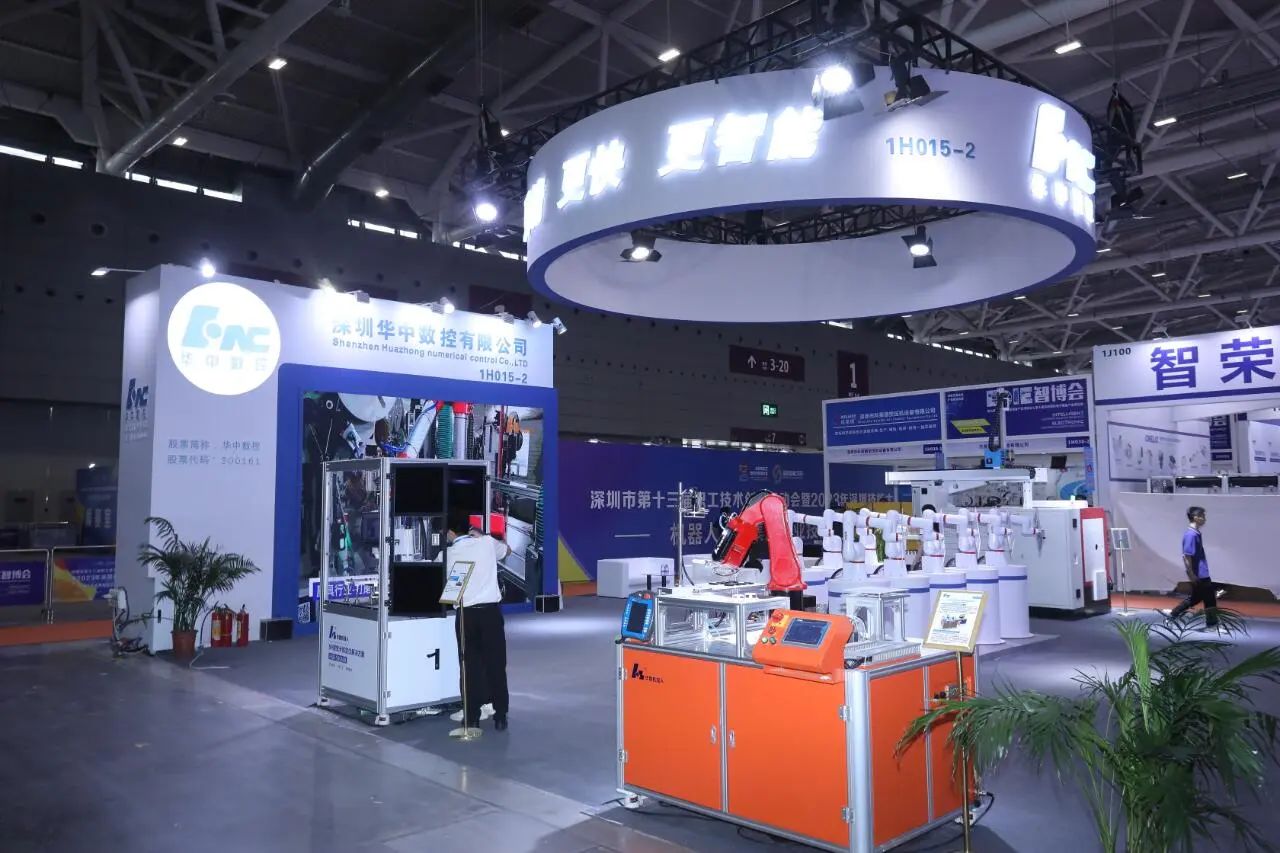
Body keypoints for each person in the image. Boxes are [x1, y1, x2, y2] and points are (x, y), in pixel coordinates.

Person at [446, 513, 511, 730]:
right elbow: (507, 551)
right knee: (496, 664)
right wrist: (483, 536)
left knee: (468, 666)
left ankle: (471, 716)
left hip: (466, 615)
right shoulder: (487, 543)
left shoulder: (448, 554)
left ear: (450, 533)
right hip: (490, 613)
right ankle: (500, 715)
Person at [1165, 506, 1219, 628]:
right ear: (1195, 517)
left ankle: (1173, 615)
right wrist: (1191, 574)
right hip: (1199, 573)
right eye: (1202, 516)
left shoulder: (1196, 533)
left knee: (1196, 598)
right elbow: (1186, 556)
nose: (1204, 519)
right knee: (1210, 598)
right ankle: (1212, 624)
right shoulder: (1191, 535)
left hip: (1201, 571)